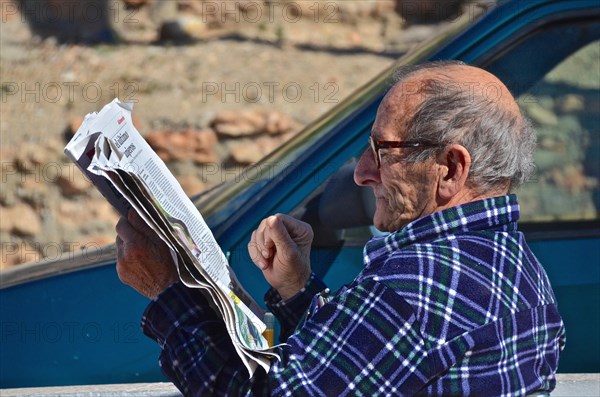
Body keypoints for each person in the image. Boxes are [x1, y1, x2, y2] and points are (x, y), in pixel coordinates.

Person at [116, 61, 565, 396]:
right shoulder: (517, 265)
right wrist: (297, 290)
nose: (363, 173)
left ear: (448, 169)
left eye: (383, 150)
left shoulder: (419, 286)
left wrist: (168, 288)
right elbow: (367, 367)